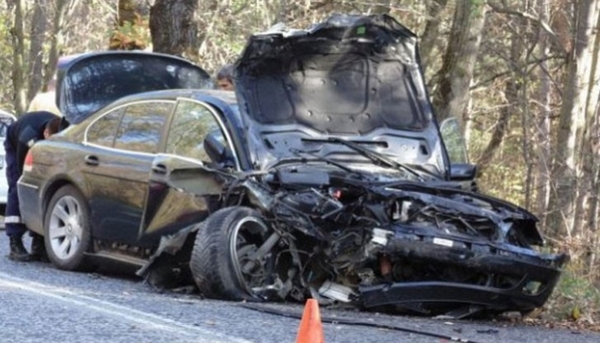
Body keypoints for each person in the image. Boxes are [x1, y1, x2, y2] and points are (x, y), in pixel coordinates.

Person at [5, 111, 62, 262]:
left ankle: (38, 241)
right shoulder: (28, 137)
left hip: (37, 141)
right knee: (18, 187)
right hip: (15, 143)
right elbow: (23, 173)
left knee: (44, 190)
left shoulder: (63, 130)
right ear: (45, 133)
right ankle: (15, 242)